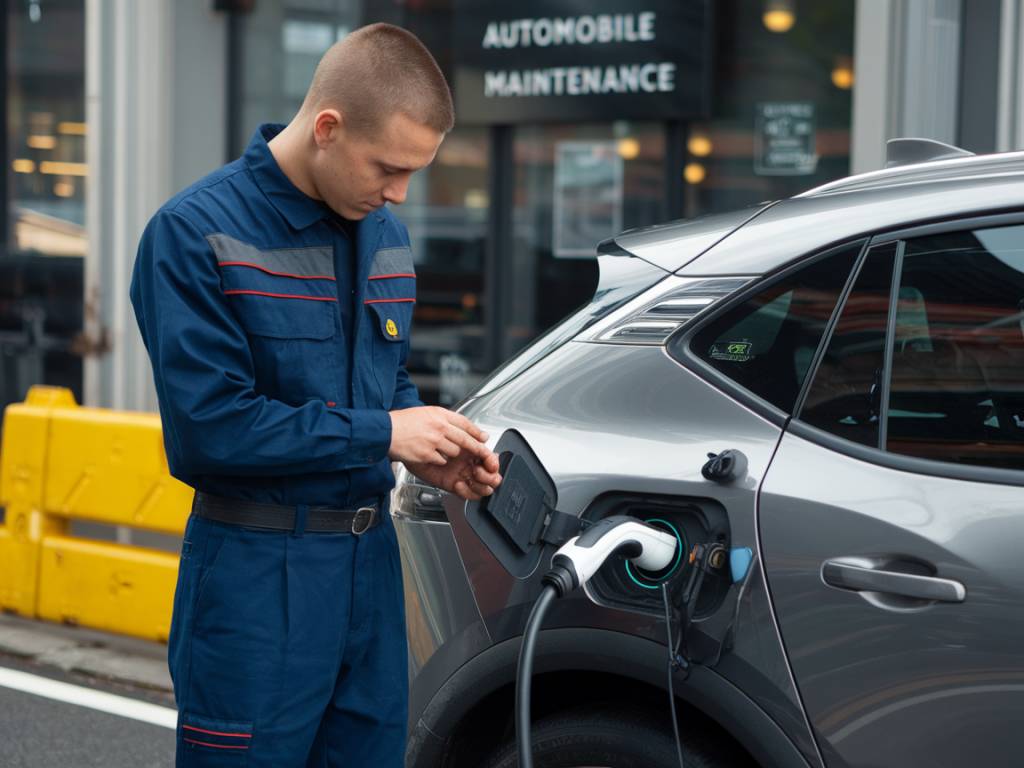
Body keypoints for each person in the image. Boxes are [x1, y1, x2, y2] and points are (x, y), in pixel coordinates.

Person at [129, 23, 502, 767]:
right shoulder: (195, 233)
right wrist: (383, 434)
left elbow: (384, 385)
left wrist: (429, 449)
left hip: (370, 572)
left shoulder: (384, 232)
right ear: (327, 128)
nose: (399, 193)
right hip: (255, 577)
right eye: (387, 167)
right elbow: (212, 429)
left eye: (413, 174)